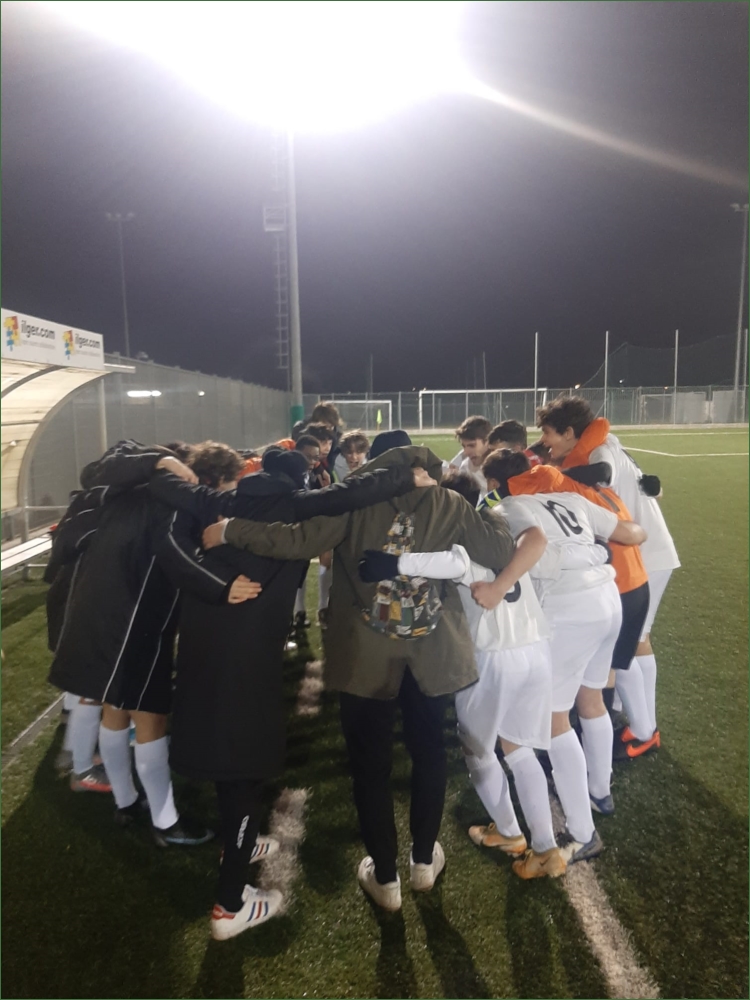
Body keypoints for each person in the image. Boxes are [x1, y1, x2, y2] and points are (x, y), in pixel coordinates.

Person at [202, 430, 515, 913]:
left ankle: (386, 878)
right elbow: (498, 551)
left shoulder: (355, 504)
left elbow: (296, 541)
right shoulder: (450, 502)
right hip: (432, 653)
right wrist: (486, 510)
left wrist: (230, 530)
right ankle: (423, 862)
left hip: (365, 655)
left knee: (370, 767)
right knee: (429, 754)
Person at [148, 443, 431, 939]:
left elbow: (164, 494)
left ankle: (239, 844)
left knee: (226, 761)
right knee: (243, 772)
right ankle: (229, 906)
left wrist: (159, 463)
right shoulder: (294, 505)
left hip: (198, 650)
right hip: (244, 661)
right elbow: (353, 491)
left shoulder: (216, 501)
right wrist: (409, 476)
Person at [363, 471, 566, 880]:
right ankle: (546, 848)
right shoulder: (499, 527)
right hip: (535, 648)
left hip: (493, 655)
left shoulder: (459, 535)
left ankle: (509, 832)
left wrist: (395, 562)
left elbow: (455, 561)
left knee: (477, 750)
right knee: (519, 748)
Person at [48, 440, 236, 846]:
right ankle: (166, 823)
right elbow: (176, 555)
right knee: (151, 719)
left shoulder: (137, 488)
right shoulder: (173, 502)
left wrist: (158, 460)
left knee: (114, 710)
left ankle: (126, 801)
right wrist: (224, 587)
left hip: (101, 613)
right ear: (215, 479)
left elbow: (104, 465)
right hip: (134, 623)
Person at [476, 449, 646, 864]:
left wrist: (499, 586)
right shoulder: (570, 498)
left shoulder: (507, 508)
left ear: (496, 484)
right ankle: (599, 791)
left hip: (569, 608)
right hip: (608, 599)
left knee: (553, 721)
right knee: (590, 698)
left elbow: (531, 543)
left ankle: (583, 834)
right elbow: (632, 534)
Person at [537, 396, 679, 756]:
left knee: (627, 645)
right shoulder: (602, 442)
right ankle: (635, 719)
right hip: (641, 550)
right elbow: (647, 485)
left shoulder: (600, 448)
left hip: (643, 552)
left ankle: (644, 730)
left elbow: (603, 475)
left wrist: (550, 476)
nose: (545, 440)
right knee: (636, 641)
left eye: (549, 433)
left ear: (570, 432)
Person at [454, 416, 492, 497]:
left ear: (487, 442)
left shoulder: (506, 468)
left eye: (472, 446)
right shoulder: (465, 468)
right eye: (464, 446)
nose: (466, 452)